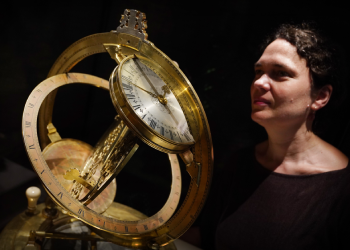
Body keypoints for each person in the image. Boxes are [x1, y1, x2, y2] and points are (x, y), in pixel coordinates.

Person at [196, 23, 350, 250]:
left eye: (280, 74)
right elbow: (205, 239)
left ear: (320, 97)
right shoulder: (240, 164)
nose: (259, 82)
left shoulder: (341, 189)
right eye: (258, 71)